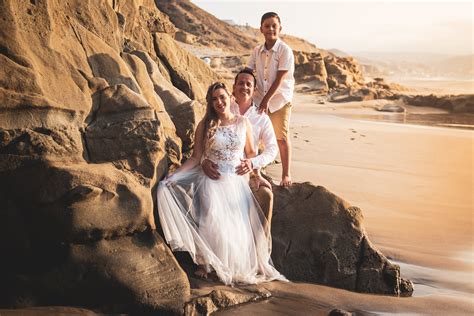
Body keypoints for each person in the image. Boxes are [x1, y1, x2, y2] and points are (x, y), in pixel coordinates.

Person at [156, 82, 286, 285]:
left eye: (222, 97)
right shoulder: (205, 124)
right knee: (210, 216)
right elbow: (196, 157)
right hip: (211, 179)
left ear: (230, 98)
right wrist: (173, 177)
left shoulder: (244, 123)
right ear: (210, 102)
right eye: (214, 99)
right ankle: (205, 263)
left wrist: (255, 174)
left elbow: (251, 153)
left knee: (235, 223)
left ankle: (231, 263)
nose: (219, 101)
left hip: (235, 180)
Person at [201, 69, 278, 236]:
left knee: (266, 196)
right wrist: (204, 161)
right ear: (233, 87)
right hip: (220, 169)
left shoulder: (261, 117)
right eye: (240, 83)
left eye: (248, 84)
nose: (244, 87)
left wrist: (254, 166)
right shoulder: (223, 105)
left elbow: (272, 149)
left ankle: (260, 248)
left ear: (254, 90)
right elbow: (205, 141)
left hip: (249, 170)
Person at [247, 12, 295, 187]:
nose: (270, 29)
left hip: (280, 100)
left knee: (281, 138)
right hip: (260, 99)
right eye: (267, 26)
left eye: (274, 26)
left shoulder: (285, 50)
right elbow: (248, 71)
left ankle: (286, 174)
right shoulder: (256, 51)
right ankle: (255, 171)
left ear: (280, 28)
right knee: (254, 136)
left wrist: (266, 100)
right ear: (261, 29)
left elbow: (280, 78)